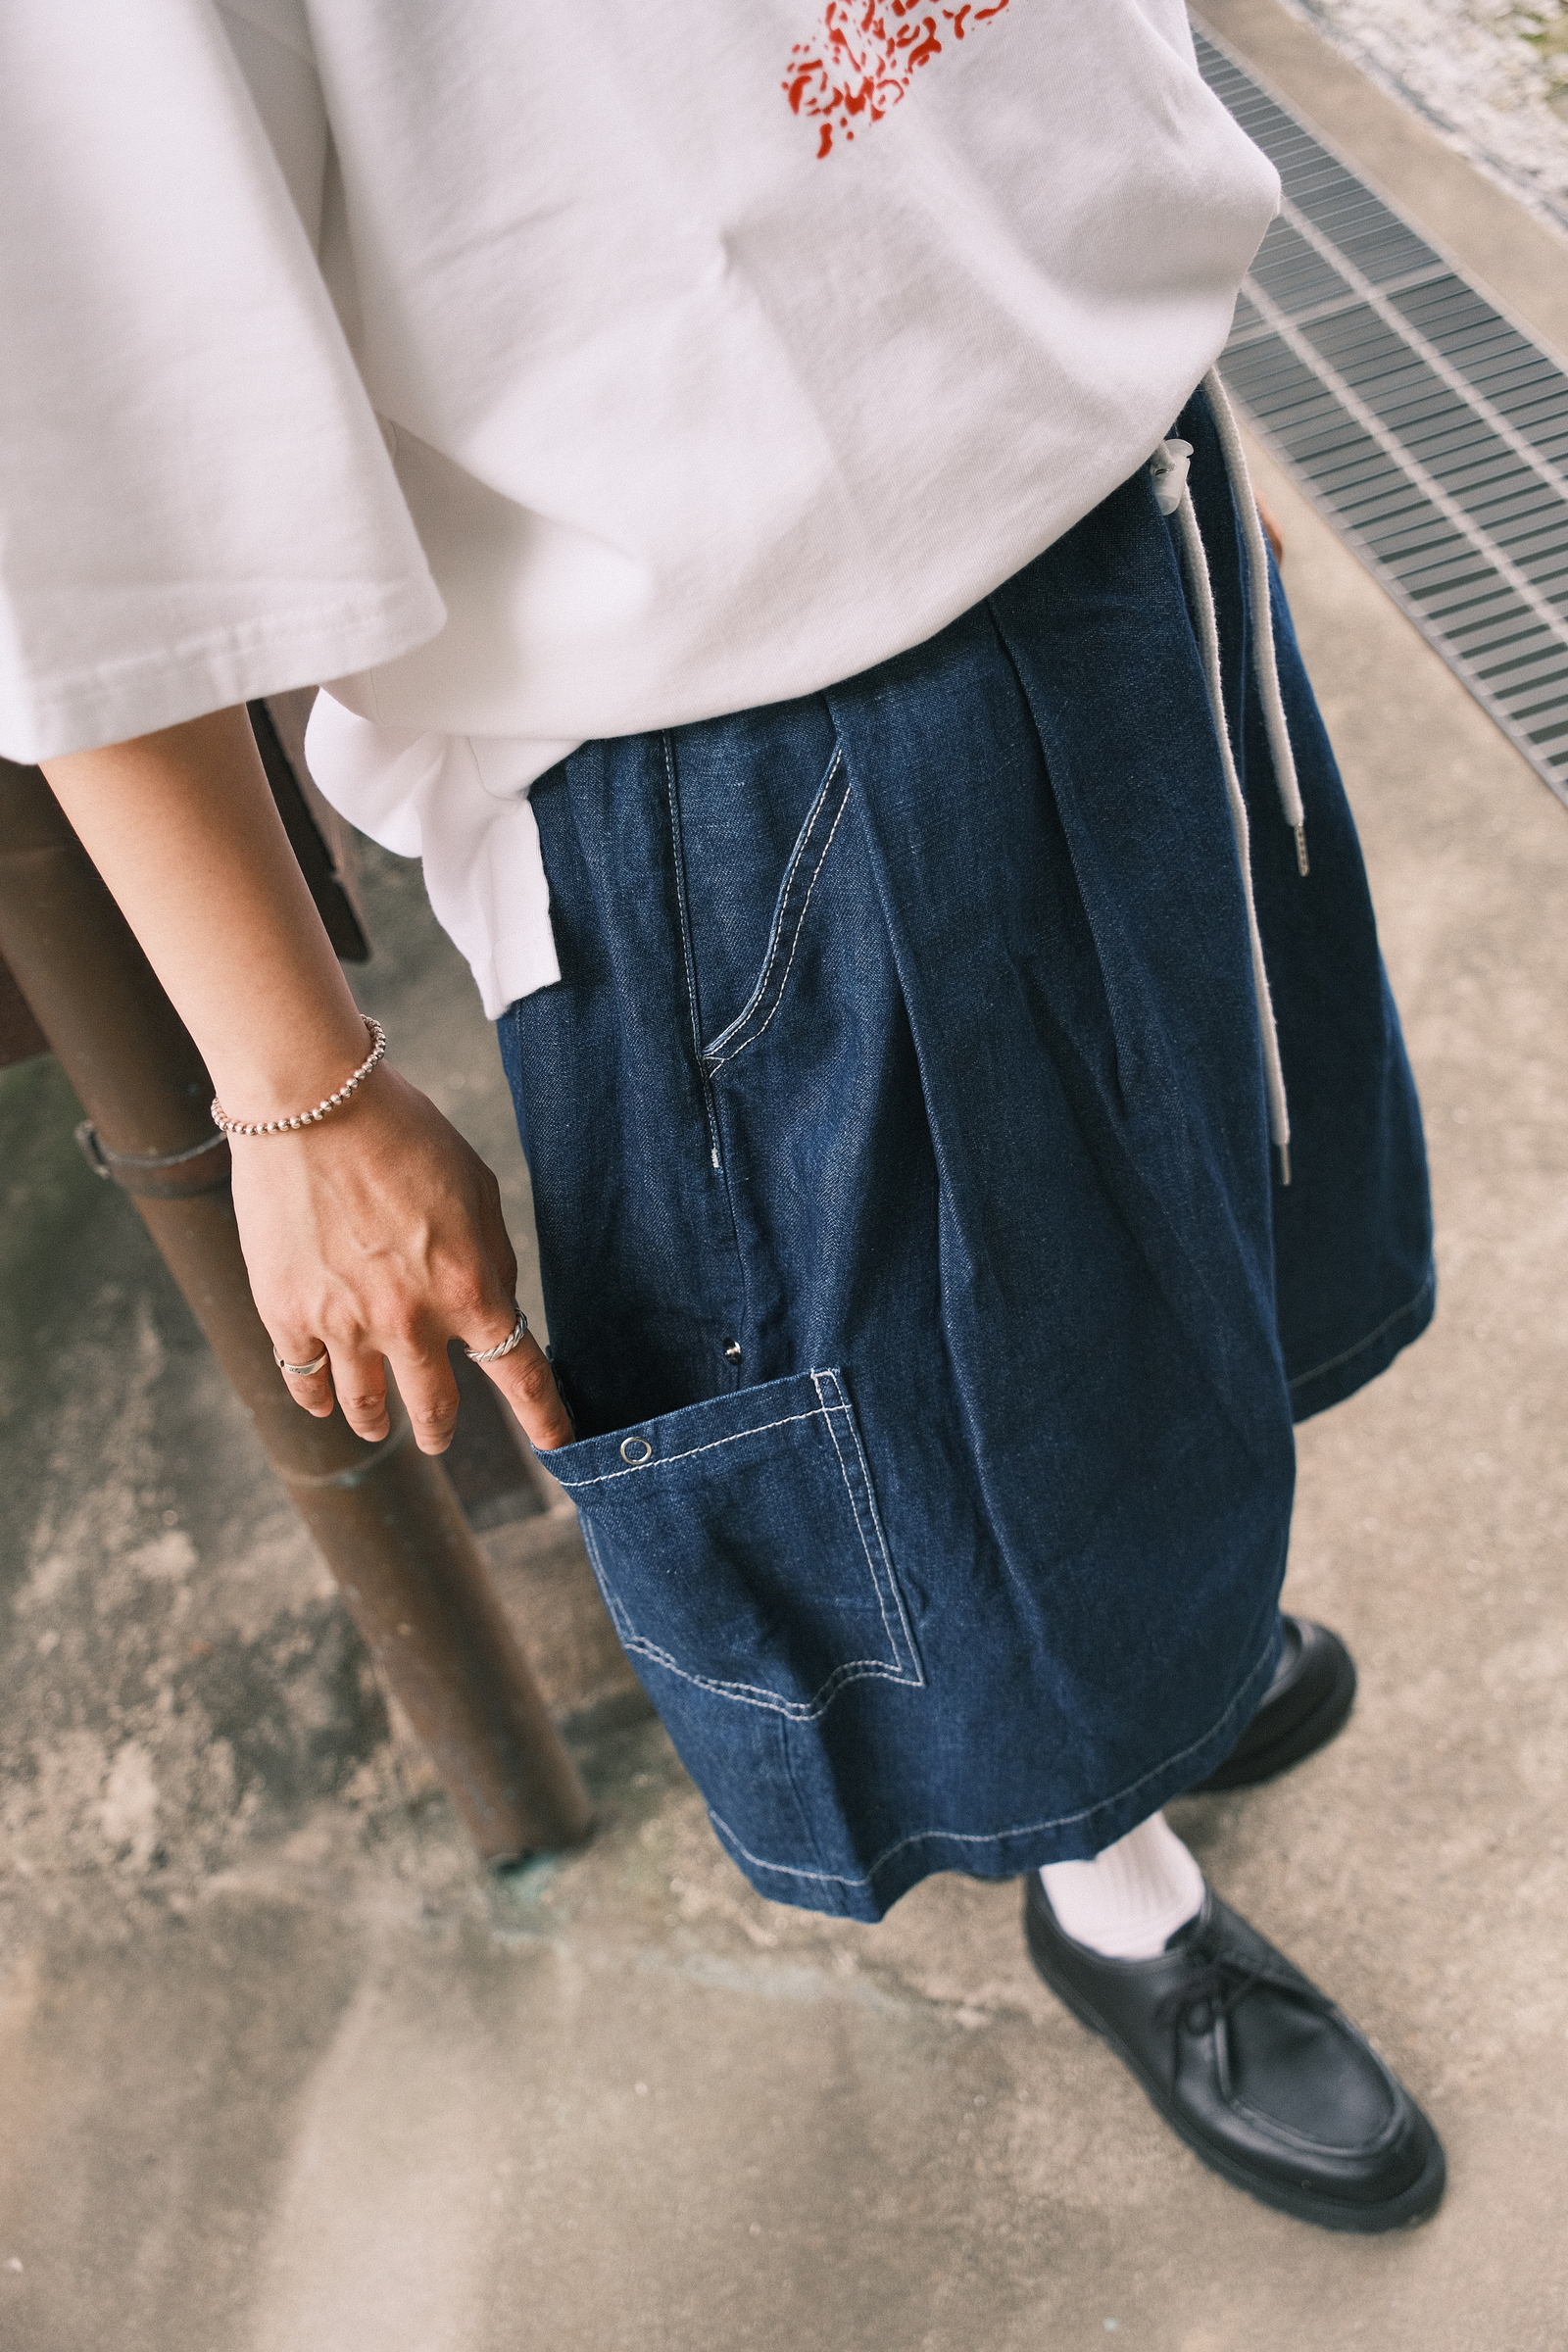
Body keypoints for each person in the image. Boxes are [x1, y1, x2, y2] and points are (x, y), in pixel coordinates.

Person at [3, 0, 1442, 2230]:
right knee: (946, 1440)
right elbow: (73, 437)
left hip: (1096, 454)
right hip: (740, 724)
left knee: (1190, 1193)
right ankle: (1113, 1883)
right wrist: (292, 1091)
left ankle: (1165, 1626)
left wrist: (1119, 344)